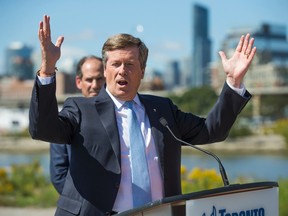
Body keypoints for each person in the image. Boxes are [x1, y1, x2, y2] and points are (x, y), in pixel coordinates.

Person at [29, 15, 256, 215]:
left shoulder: (162, 109)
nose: (122, 70)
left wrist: (233, 83)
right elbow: (42, 129)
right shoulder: (80, 109)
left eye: (130, 64)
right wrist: (48, 70)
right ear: (106, 69)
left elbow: (211, 130)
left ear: (142, 71)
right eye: (115, 64)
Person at [50, 55, 105, 194]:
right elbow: (59, 174)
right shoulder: (66, 119)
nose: (95, 85)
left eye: (99, 79)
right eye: (89, 79)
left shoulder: (120, 115)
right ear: (79, 82)